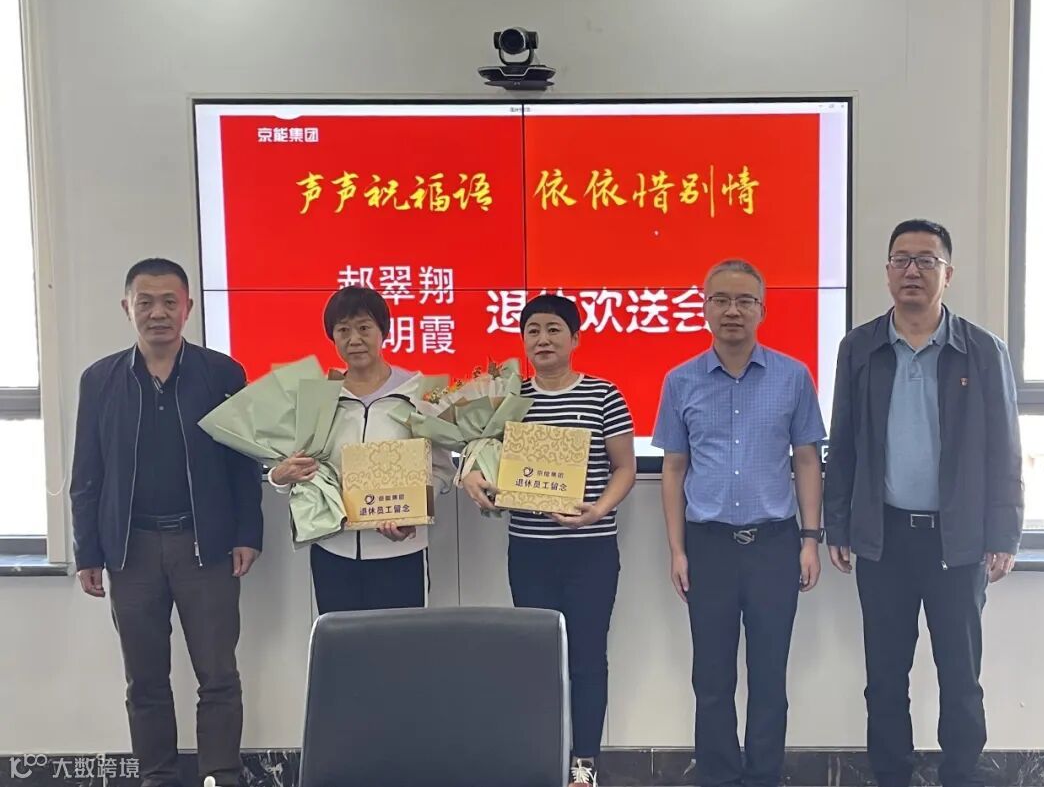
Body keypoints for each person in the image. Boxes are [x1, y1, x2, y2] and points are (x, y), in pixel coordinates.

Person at [823, 219, 1023, 787]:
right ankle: (892, 775)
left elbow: (1005, 448)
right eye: (901, 259)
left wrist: (1003, 534)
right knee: (885, 676)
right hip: (884, 537)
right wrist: (838, 523)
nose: (912, 270)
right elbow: (844, 440)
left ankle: (960, 774)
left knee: (960, 675)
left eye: (926, 261)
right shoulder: (860, 348)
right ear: (887, 272)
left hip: (957, 540)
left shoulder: (982, 351)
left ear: (947, 274)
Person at [71, 258, 263, 787]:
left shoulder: (222, 374)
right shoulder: (100, 380)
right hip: (130, 550)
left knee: (218, 674)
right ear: (127, 307)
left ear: (187, 308)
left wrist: (247, 534)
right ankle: (157, 775)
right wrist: (88, 551)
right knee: (145, 679)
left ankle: (220, 773)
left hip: (206, 545)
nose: (158, 313)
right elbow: (86, 470)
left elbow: (242, 462)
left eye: (169, 302)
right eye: (146, 302)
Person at [652, 259, 826, 787]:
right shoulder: (680, 381)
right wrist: (677, 550)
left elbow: (806, 460)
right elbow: (674, 469)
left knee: (769, 676)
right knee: (712, 678)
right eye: (721, 299)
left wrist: (810, 540)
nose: (732, 310)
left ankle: (764, 776)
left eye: (745, 300)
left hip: (775, 544)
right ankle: (719, 776)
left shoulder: (793, 376)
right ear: (704, 308)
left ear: (762, 311)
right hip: (708, 546)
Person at [461, 294, 635, 787]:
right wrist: (472, 477)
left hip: (591, 550)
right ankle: (542, 756)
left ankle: (584, 763)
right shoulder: (507, 401)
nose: (543, 339)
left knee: (587, 657)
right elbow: (480, 458)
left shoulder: (603, 395)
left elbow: (625, 468)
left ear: (575, 338)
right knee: (538, 657)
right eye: (533, 330)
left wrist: (598, 509)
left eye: (554, 329)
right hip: (530, 550)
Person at [268, 286, 453, 614]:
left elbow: (441, 468)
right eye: (343, 330)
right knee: (342, 642)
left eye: (364, 328)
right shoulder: (319, 398)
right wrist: (279, 478)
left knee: (400, 642)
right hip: (334, 549)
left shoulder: (420, 392)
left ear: (384, 332)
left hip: (399, 551)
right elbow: (299, 467)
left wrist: (415, 509)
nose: (354, 339)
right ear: (333, 337)